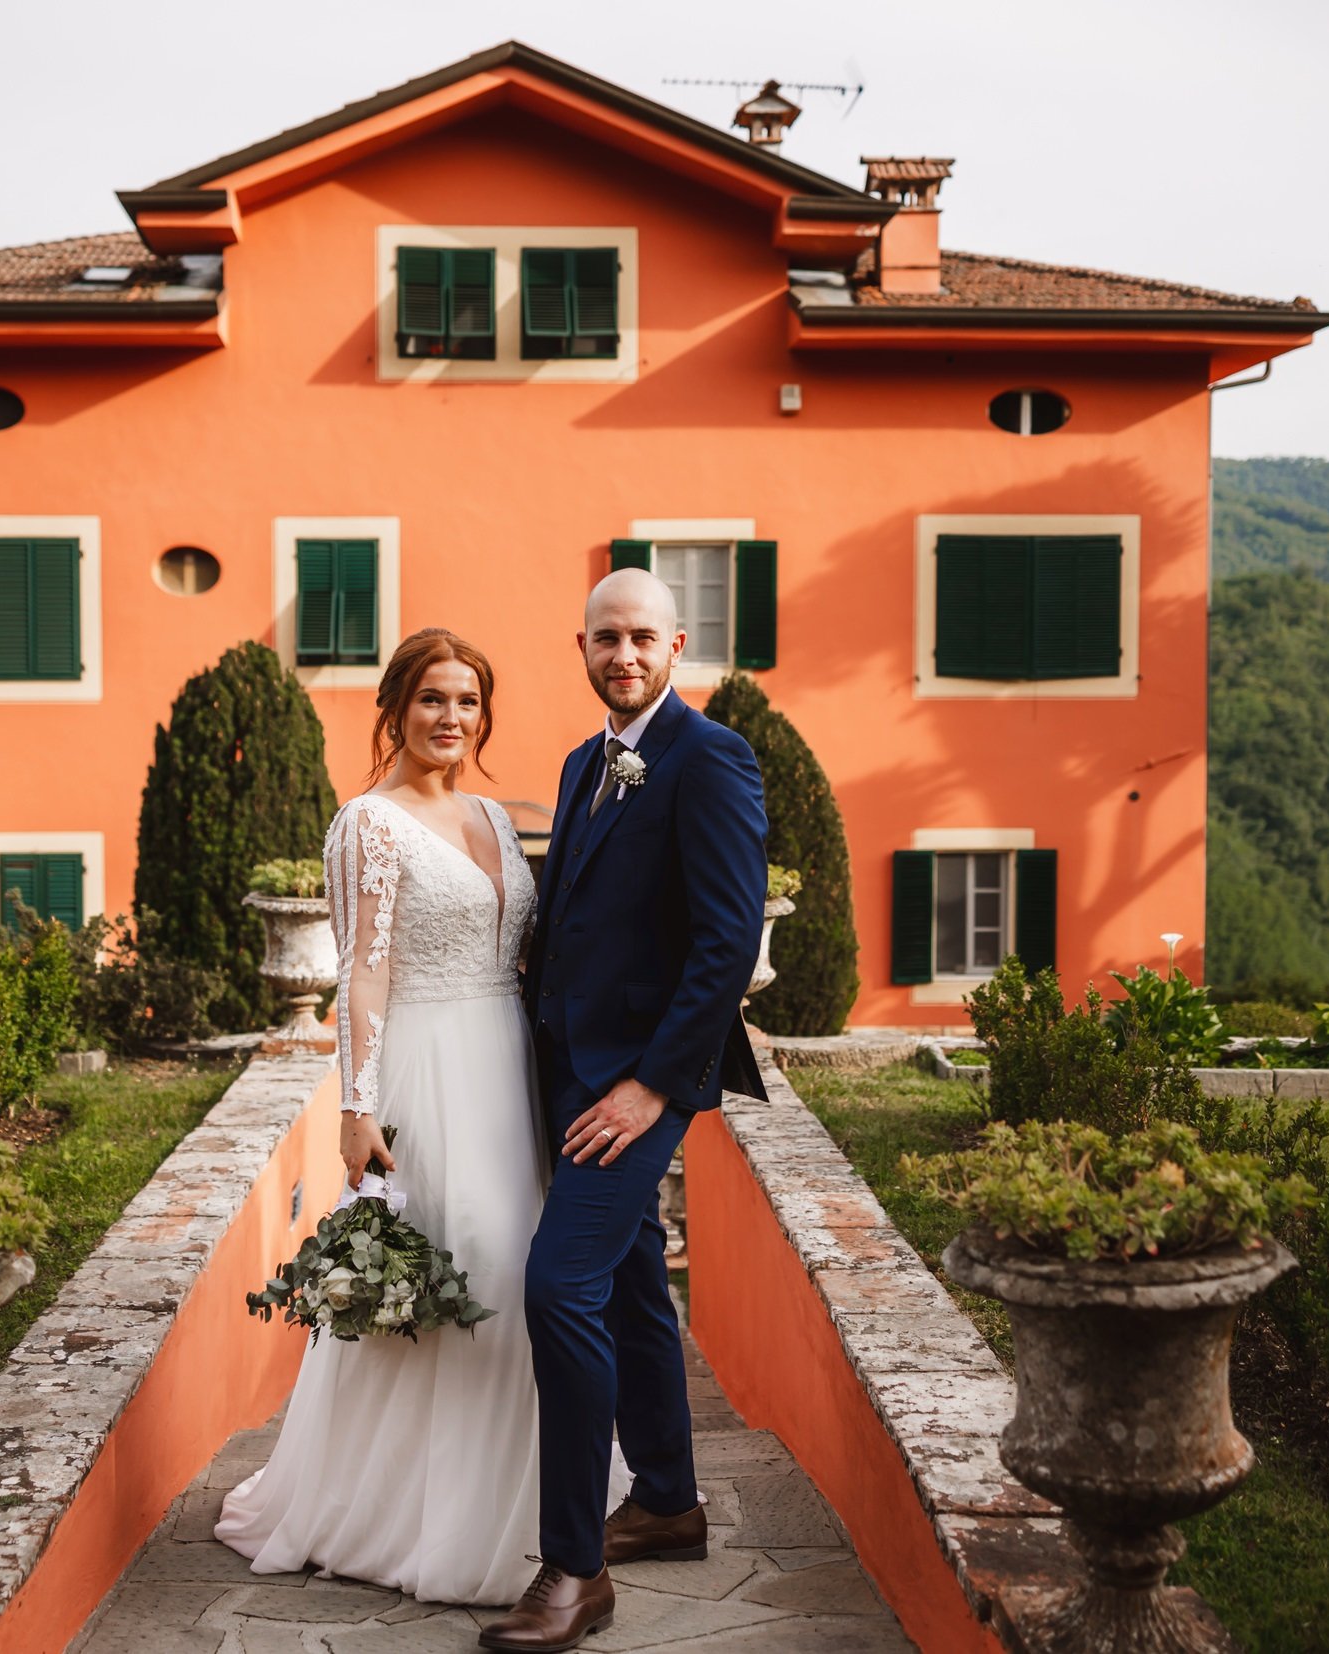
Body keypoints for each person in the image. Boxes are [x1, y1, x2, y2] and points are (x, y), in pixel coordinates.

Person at [215, 626, 627, 1606]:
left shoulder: (491, 810)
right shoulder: (366, 822)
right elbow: (360, 973)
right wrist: (355, 1107)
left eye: (468, 701)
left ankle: (534, 1511)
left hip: (508, 1074)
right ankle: (417, 1516)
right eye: (433, 699)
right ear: (395, 708)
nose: (452, 718)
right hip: (425, 1072)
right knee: (453, 1272)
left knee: (524, 1274)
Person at [481, 569, 769, 1653]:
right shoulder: (579, 762)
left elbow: (724, 942)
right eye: (605, 638)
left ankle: (574, 1568)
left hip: (638, 1085)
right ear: (582, 646)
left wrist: (651, 1084)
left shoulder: (711, 757)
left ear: (676, 643)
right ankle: (666, 1497)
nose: (623, 655)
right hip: (565, 1072)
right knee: (635, 1273)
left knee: (559, 1285)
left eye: (641, 637)